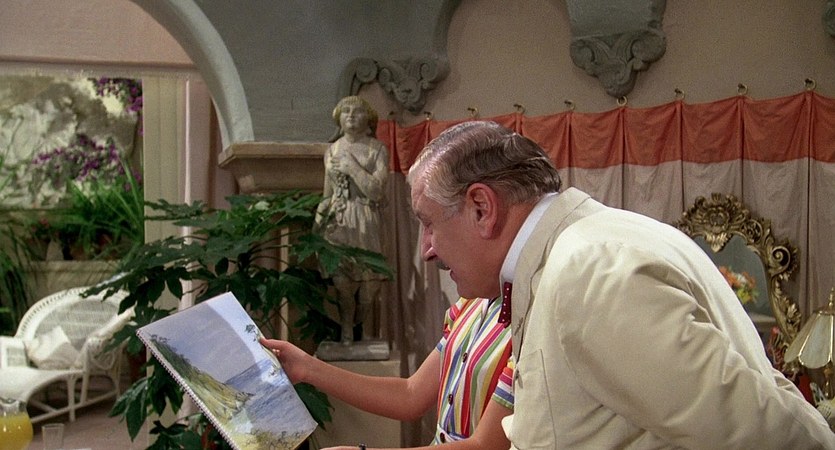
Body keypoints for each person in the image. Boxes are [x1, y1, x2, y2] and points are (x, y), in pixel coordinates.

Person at [406, 120, 835, 449]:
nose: (426, 250)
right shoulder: (582, 251)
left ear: (481, 208)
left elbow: (766, 432)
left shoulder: (585, 273)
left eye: (428, 224)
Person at [261, 296, 513, 450]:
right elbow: (411, 394)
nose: (427, 250)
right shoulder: (471, 304)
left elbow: (486, 446)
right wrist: (306, 368)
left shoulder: (523, 323)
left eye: (432, 229)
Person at [315, 95, 389, 344]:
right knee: (341, 280)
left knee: (370, 285)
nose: (351, 116)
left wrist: (353, 167)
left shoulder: (377, 149)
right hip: (339, 218)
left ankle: (362, 325)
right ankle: (347, 328)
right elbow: (327, 193)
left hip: (366, 219)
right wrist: (318, 221)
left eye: (357, 111)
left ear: (368, 119)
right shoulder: (332, 150)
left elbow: (377, 191)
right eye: (345, 111)